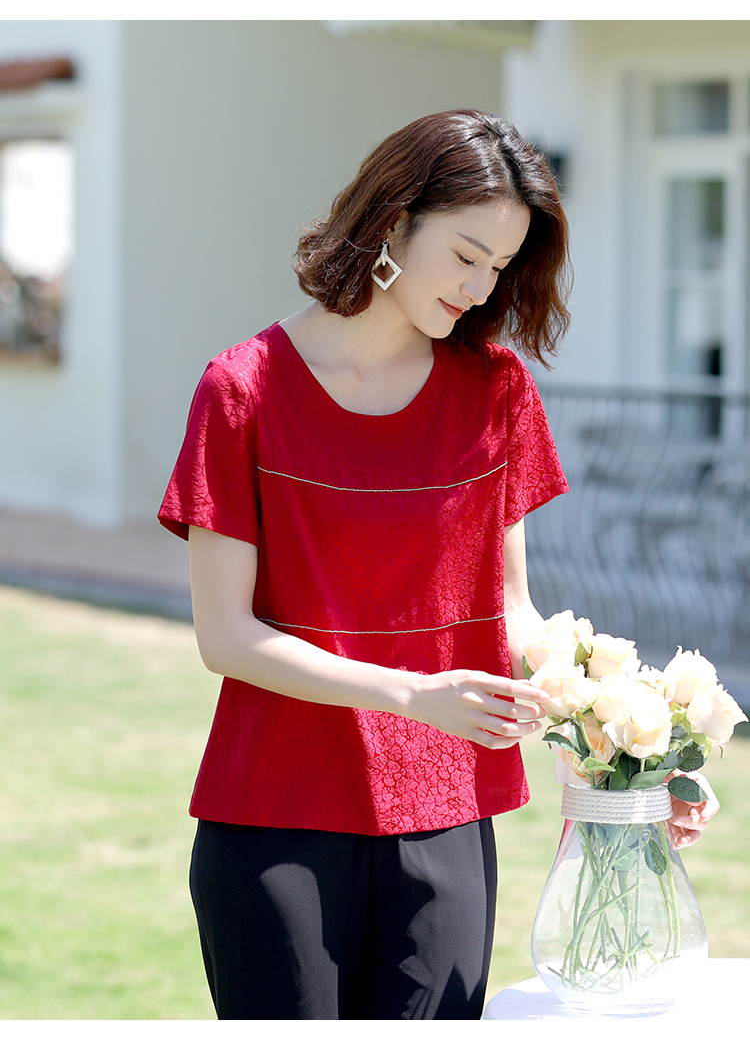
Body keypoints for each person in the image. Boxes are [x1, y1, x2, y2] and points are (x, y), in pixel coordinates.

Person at [157, 109, 717, 1021]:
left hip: (446, 808)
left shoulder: (496, 392)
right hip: (273, 814)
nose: (480, 286)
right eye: (465, 255)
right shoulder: (242, 390)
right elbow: (226, 635)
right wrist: (413, 694)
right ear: (392, 220)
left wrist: (629, 754)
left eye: (500, 266)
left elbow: (513, 612)